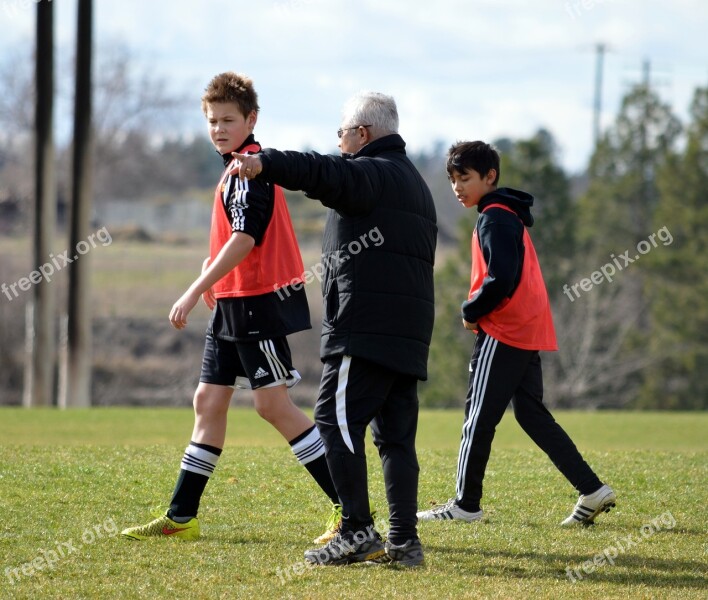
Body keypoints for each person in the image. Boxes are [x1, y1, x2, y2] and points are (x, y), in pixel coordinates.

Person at [121, 72, 340, 542]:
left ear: (251, 120)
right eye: (212, 120)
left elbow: (245, 239)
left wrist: (192, 286)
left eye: (228, 119)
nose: (219, 128)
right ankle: (181, 517)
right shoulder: (232, 167)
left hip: (256, 303)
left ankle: (350, 510)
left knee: (273, 406)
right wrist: (210, 268)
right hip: (233, 303)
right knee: (208, 400)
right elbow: (235, 237)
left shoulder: (248, 168)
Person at [232, 91, 437, 566]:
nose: (339, 142)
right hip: (408, 332)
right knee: (395, 438)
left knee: (332, 419)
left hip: (364, 329)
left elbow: (321, 172)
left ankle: (357, 530)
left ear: (362, 134)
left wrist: (266, 161)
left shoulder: (370, 172)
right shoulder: (414, 182)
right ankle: (404, 542)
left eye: (342, 133)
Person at [416, 141, 616, 527]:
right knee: (531, 415)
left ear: (490, 177)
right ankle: (592, 490)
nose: (458, 187)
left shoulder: (494, 216)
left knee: (478, 417)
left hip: (504, 329)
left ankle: (465, 505)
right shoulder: (504, 213)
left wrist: (471, 310)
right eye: (453, 179)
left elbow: (501, 278)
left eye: (466, 178)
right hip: (526, 326)